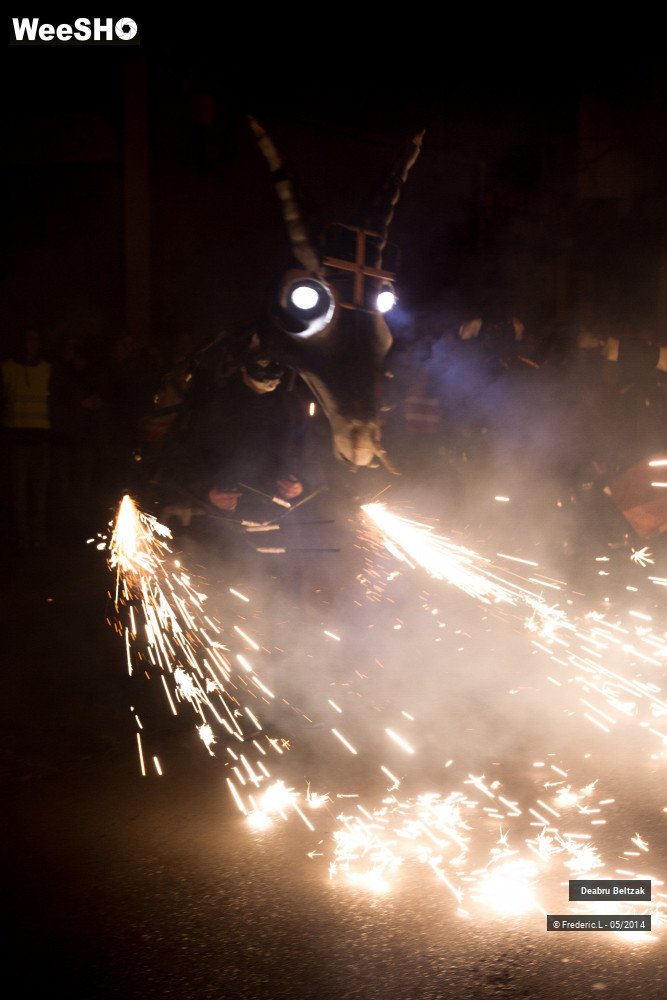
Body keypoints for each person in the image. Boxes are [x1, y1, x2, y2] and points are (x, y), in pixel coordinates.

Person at [1, 328, 51, 547]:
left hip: (40, 437)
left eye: (34, 340)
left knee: (38, 493)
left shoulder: (47, 369)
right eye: (27, 340)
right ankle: (22, 537)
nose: (30, 345)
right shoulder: (7, 369)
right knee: (18, 492)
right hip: (16, 438)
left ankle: (37, 536)